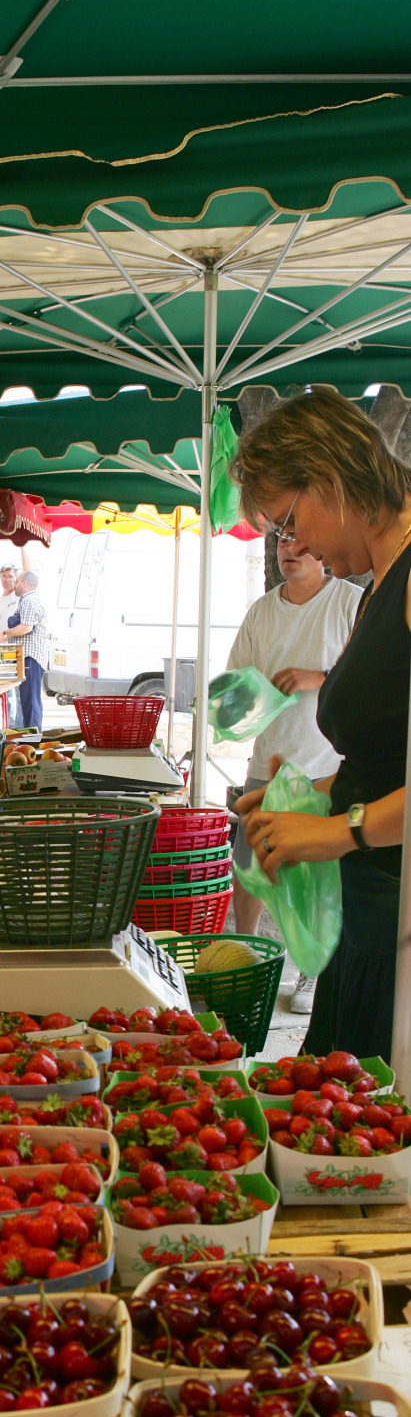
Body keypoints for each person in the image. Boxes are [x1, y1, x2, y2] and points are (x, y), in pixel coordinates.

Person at [232, 387, 411, 1063]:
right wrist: (307, 798)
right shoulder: (375, 583)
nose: (293, 542)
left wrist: (341, 829)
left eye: (287, 518)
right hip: (364, 923)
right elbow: (388, 760)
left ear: (331, 477)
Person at [225, 530, 360, 1011]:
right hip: (267, 761)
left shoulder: (351, 602)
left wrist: (314, 679)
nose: (290, 550)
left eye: (301, 540)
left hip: (329, 763)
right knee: (251, 867)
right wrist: (244, 700)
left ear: (322, 550)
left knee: (319, 876)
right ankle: (247, 955)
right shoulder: (262, 610)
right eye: (283, 541)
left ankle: (312, 974)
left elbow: (367, 680)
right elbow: (235, 680)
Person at [0, 570, 49, 732]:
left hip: (30, 656)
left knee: (31, 701)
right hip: (31, 657)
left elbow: (26, 626)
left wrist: (5, 634)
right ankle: (32, 736)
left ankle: (33, 738)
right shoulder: (29, 599)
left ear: (25, 584)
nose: (15, 584)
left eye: (17, 581)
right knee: (29, 700)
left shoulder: (28, 600)